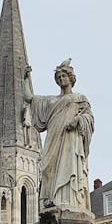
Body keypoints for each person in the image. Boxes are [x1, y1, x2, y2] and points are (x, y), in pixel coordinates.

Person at [23, 60, 94, 213]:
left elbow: (89, 118)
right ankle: (52, 200)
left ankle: (69, 200)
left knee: (68, 166)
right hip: (53, 138)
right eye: (59, 77)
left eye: (64, 76)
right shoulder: (51, 101)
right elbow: (29, 98)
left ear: (71, 78)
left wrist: (78, 120)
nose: (62, 79)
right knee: (48, 168)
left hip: (70, 139)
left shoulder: (79, 98)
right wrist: (26, 78)